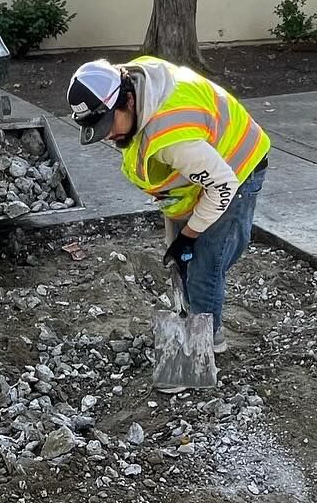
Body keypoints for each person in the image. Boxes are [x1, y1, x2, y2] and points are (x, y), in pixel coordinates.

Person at [67, 54, 269, 353]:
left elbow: (222, 185)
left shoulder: (171, 138)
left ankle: (206, 341)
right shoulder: (138, 82)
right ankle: (191, 318)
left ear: (128, 101)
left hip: (237, 168)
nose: (108, 135)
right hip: (204, 162)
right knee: (185, 258)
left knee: (205, 262)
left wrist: (188, 238)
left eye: (109, 124)